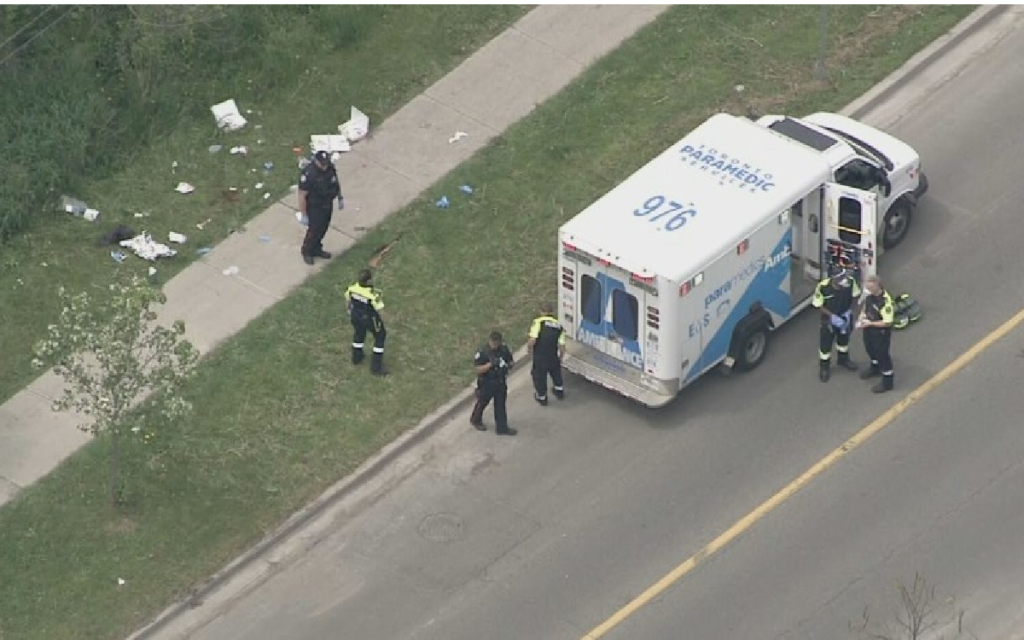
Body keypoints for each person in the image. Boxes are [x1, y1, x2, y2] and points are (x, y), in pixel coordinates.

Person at [812, 267, 860, 382]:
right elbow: (819, 305)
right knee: (825, 346)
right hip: (829, 321)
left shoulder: (850, 282)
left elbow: (855, 295)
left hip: (845, 317)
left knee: (843, 341)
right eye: (840, 278)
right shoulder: (823, 287)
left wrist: (850, 312)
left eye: (843, 276)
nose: (843, 280)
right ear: (833, 279)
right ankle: (824, 367)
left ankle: (843, 360)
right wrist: (832, 317)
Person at [297, 150, 343, 265]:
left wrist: (340, 197)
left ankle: (317, 248)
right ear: (316, 161)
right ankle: (307, 251)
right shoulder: (309, 174)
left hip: (327, 202)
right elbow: (302, 195)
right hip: (315, 207)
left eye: (326, 163)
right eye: (322, 164)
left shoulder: (330, 168)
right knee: (314, 230)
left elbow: (335, 182)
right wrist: (304, 214)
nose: (324, 166)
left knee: (323, 228)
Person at [470, 331, 516, 436]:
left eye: (496, 343)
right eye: (493, 343)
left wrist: (508, 365)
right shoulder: (483, 352)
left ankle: (502, 427)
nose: (494, 345)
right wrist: (490, 365)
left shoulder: (504, 349)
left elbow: (511, 361)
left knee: (500, 405)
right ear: (489, 341)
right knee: (482, 403)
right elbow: (477, 369)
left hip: (500, 381)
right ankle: (475, 419)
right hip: (486, 383)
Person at [344, 268, 387, 376]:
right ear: (368, 281)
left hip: (355, 316)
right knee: (380, 336)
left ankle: (356, 357)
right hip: (369, 318)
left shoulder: (352, 288)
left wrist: (350, 311)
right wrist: (382, 321)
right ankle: (376, 367)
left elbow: (348, 301)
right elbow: (379, 308)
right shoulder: (372, 294)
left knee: (359, 333)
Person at [857, 275, 896, 393]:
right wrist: (862, 315)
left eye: (869, 288)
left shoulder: (885, 302)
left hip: (880, 333)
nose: (867, 291)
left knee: (882, 356)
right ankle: (875, 368)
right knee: (870, 350)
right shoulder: (870, 295)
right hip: (869, 330)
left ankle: (887, 381)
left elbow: (887, 322)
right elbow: (866, 305)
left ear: (877, 286)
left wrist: (870, 323)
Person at [527, 302, 566, 405]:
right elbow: (562, 346)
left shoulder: (539, 322)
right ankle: (559, 391)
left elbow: (533, 339)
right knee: (556, 373)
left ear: (541, 312)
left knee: (539, 376)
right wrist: (560, 357)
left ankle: (542, 397)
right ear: (552, 312)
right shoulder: (559, 326)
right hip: (553, 355)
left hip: (540, 355)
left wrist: (529, 348)